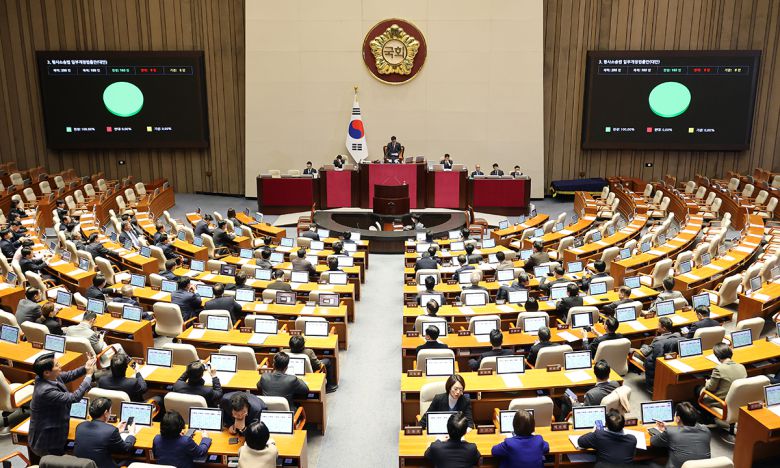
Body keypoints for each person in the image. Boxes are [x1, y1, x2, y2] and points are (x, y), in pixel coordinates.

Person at [28, 353, 97, 464]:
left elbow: (69, 375)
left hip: (54, 431)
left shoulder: (48, 376)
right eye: (56, 365)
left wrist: (86, 367)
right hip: (47, 441)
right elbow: (74, 397)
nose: (60, 365)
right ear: (46, 372)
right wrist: (88, 376)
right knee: (55, 464)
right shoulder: (45, 391)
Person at [73, 396, 137, 468]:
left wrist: (116, 430)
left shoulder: (80, 426)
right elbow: (126, 449)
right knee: (131, 460)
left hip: (83, 466)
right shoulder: (111, 431)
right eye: (110, 411)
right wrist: (131, 433)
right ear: (106, 413)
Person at [650, 402, 711, 468]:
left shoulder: (671, 432)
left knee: (648, 463)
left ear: (678, 418)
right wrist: (669, 427)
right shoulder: (706, 431)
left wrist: (666, 431)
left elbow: (653, 441)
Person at [639, 316, 681, 391]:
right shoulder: (677, 335)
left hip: (655, 363)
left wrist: (643, 346)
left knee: (632, 350)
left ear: (664, 328)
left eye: (658, 325)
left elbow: (646, 352)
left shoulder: (658, 339)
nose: (657, 327)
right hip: (669, 360)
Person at [700, 343, 747, 409]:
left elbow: (710, 388)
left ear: (717, 357)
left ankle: (706, 416)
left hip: (722, 403)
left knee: (699, 389)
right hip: (738, 401)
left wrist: (707, 381)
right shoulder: (742, 367)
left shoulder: (718, 369)